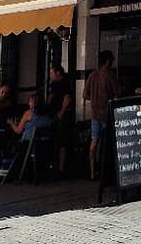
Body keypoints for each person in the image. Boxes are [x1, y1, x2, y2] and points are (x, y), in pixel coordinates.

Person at [83, 50, 119, 181]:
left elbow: (85, 95)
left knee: (94, 144)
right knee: (110, 143)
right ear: (108, 61)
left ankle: (93, 173)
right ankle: (109, 172)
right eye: (112, 60)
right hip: (107, 115)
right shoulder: (110, 75)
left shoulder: (92, 75)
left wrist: (94, 99)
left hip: (95, 114)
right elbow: (117, 94)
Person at [48, 63, 75, 176]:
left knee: (62, 140)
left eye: (51, 73)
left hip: (63, 115)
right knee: (56, 139)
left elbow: (67, 98)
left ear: (58, 72)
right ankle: (54, 165)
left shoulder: (66, 82)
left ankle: (61, 168)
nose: (50, 75)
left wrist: (62, 112)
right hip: (54, 113)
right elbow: (51, 97)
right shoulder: (54, 84)